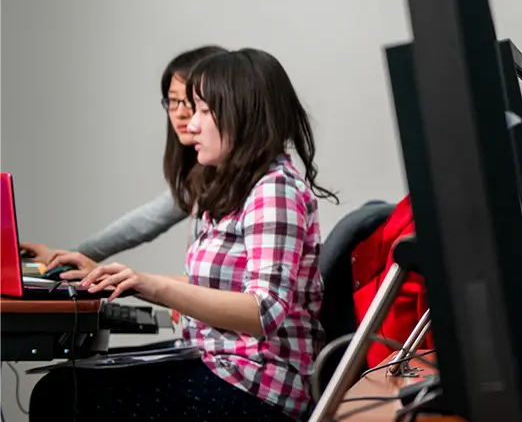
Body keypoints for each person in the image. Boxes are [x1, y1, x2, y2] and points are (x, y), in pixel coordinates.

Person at [29, 48, 337, 421]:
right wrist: (119, 276)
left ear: (242, 114)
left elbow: (263, 309)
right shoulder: (239, 187)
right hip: (221, 365)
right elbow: (223, 286)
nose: (189, 124)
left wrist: (153, 285)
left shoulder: (274, 190)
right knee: (65, 387)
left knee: (63, 395)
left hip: (258, 386)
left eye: (203, 111)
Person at [19, 45, 226, 276]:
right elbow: (143, 222)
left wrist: (128, 280)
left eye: (192, 103)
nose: (180, 113)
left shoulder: (258, 183)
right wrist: (66, 257)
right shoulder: (199, 175)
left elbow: (240, 296)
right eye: (172, 101)